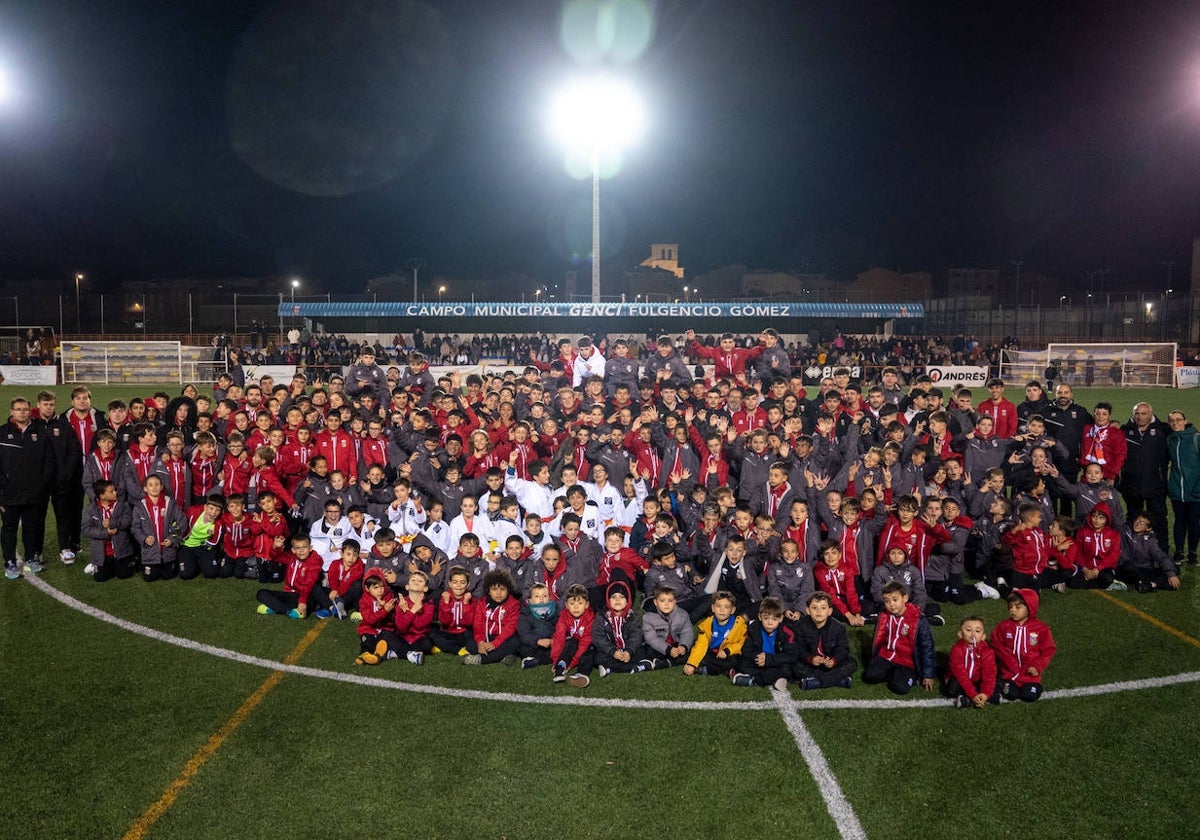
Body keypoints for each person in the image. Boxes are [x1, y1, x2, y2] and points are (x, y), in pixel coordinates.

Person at [0, 397, 53, 579]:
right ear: (11, 412)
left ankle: (31, 558)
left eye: (25, 409)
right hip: (9, 494)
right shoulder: (1, 433)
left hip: (34, 493)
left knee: (32, 527)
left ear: (30, 411)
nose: (22, 412)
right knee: (9, 528)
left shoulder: (40, 432)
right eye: (18, 409)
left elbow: (48, 462)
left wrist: (42, 486)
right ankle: (9, 562)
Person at [862, 582, 936, 695]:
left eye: (895, 600)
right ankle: (894, 673)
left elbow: (927, 647)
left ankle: (903, 675)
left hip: (907, 661)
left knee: (900, 688)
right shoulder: (884, 616)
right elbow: (879, 637)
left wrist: (928, 674)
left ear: (905, 598)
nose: (891, 604)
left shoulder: (918, 620)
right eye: (887, 601)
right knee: (869, 676)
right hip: (887, 655)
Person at [1120, 402, 1170, 553]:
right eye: (1137, 414)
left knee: (1158, 518)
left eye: (1143, 414)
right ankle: (1132, 549)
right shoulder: (1125, 430)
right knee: (1133, 518)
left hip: (1155, 484)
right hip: (1131, 485)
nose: (1140, 417)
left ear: (1151, 414)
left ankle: (1162, 550)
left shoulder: (1163, 429)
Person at [991, 588, 1056, 702]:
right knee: (1011, 694)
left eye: (1018, 607)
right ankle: (1002, 683)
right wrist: (1009, 662)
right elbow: (996, 644)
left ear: (1030, 607)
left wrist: (1037, 666)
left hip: (1030, 674)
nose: (1013, 610)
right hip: (1009, 672)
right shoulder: (1004, 626)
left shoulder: (1041, 629)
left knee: (1029, 696)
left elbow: (1048, 650)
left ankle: (1032, 686)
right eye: (1010, 607)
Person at [256, 534, 332, 619]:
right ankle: (286, 611)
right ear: (293, 550)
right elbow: (275, 557)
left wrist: (302, 602)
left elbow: (309, 584)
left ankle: (275, 607)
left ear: (310, 548)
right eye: (298, 548)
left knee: (311, 598)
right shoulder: (292, 557)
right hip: (290, 594)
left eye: (305, 547)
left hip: (306, 595)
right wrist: (275, 547)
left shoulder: (315, 560)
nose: (301, 550)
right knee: (261, 593)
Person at [793, 591, 856, 690]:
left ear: (830, 611)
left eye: (823, 608)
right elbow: (798, 648)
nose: (818, 611)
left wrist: (834, 660)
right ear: (807, 610)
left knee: (851, 663)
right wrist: (811, 658)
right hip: (811, 664)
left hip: (831, 663)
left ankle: (815, 682)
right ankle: (839, 680)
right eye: (814, 608)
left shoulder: (839, 627)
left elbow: (843, 649)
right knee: (795, 665)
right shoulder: (800, 626)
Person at [730, 596, 797, 690]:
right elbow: (746, 650)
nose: (770, 622)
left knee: (790, 668)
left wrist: (769, 659)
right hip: (758, 661)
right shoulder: (753, 629)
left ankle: (752, 680)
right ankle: (776, 678)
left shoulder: (787, 632)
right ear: (759, 617)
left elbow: (791, 655)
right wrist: (758, 658)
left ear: (781, 618)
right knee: (742, 662)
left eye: (774, 619)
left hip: (776, 661)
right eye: (766, 618)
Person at [462, 570, 520, 666]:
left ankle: (481, 660)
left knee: (516, 642)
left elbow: (510, 628)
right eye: (494, 589)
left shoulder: (514, 604)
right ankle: (503, 656)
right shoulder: (482, 602)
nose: (498, 593)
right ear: (488, 590)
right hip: (486, 636)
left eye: (502, 589)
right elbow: (478, 623)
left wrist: (494, 644)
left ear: (508, 590)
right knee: (469, 641)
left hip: (503, 638)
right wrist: (480, 642)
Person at [683, 590, 747, 676]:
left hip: (729, 654)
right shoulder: (707, 624)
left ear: (732, 610)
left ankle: (706, 670)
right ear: (713, 608)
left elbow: (743, 643)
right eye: (718, 606)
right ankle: (670, 662)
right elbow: (701, 645)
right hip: (713, 653)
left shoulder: (739, 624)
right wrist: (692, 663)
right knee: (693, 650)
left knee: (736, 660)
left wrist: (728, 651)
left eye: (726, 607)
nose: (722, 610)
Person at [1165, 410, 1200, 566]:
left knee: (1194, 522)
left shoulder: (1195, 439)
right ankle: (1179, 552)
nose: (1175, 423)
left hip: (1195, 490)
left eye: (1178, 419)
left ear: (1185, 421)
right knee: (1179, 522)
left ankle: (1192, 553)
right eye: (1172, 420)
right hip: (1177, 490)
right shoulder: (1170, 440)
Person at [81, 479, 134, 582]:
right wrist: (106, 533)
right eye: (111, 491)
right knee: (101, 578)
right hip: (102, 553)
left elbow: (128, 520)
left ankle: (124, 562)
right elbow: (86, 529)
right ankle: (96, 564)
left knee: (124, 575)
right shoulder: (91, 509)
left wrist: (113, 523)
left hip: (121, 551)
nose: (115, 492)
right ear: (102, 496)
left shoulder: (122, 505)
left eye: (114, 490)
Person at [944, 615, 999, 708]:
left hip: (976, 680)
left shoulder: (987, 652)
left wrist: (985, 693)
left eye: (977, 631)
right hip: (960, 681)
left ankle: (971, 700)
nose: (973, 634)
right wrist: (973, 695)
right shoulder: (956, 650)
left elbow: (989, 674)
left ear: (983, 636)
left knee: (995, 684)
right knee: (952, 688)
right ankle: (972, 699)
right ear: (960, 634)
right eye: (968, 630)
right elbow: (960, 675)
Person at [1118, 512, 1181, 593]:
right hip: (1127, 569)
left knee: (1175, 570)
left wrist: (1171, 573)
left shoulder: (1150, 541)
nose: (1138, 524)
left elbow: (1160, 556)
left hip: (1144, 570)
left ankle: (1150, 585)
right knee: (1127, 566)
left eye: (1142, 523)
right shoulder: (1124, 531)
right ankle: (1146, 583)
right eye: (1137, 520)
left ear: (1148, 528)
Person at [549, 582, 595, 686]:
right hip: (571, 643)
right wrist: (556, 659)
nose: (576, 607)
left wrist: (573, 662)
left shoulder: (590, 618)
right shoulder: (564, 616)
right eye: (572, 604)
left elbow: (585, 642)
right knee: (571, 643)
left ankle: (581, 674)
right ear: (566, 605)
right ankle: (560, 667)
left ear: (586, 605)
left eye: (580, 603)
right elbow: (559, 637)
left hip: (587, 645)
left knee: (589, 653)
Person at [641, 586, 694, 670]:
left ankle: (667, 662)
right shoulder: (648, 617)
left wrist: (683, 646)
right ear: (655, 602)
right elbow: (651, 638)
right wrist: (668, 650)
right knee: (647, 650)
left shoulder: (682, 614)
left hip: (676, 645)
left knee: (693, 648)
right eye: (662, 601)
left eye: (670, 601)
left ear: (675, 602)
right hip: (660, 647)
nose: (666, 604)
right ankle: (666, 661)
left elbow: (687, 632)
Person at [517, 582, 558, 669]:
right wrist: (537, 641)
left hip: (551, 643)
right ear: (530, 600)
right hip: (534, 644)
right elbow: (524, 633)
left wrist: (554, 639)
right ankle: (531, 659)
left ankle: (538, 660)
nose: (541, 599)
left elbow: (560, 628)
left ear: (549, 597)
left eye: (545, 596)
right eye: (537, 596)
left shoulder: (555, 611)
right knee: (523, 646)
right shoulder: (525, 613)